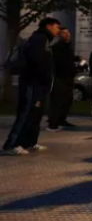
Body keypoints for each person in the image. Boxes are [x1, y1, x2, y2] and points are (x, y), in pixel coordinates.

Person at [2, 18, 60, 155]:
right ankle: (11, 145)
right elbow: (36, 61)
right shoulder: (39, 39)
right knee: (26, 114)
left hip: (39, 84)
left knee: (35, 115)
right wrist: (42, 77)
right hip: (32, 84)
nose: (58, 30)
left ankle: (29, 142)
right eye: (57, 27)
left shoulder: (44, 39)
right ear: (49, 26)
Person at [47, 28, 77, 132]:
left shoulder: (68, 47)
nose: (67, 34)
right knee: (57, 100)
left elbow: (69, 60)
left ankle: (61, 120)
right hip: (60, 77)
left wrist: (77, 60)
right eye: (64, 33)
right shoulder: (58, 47)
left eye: (68, 32)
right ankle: (52, 123)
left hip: (68, 77)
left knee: (67, 100)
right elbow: (60, 62)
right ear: (60, 35)